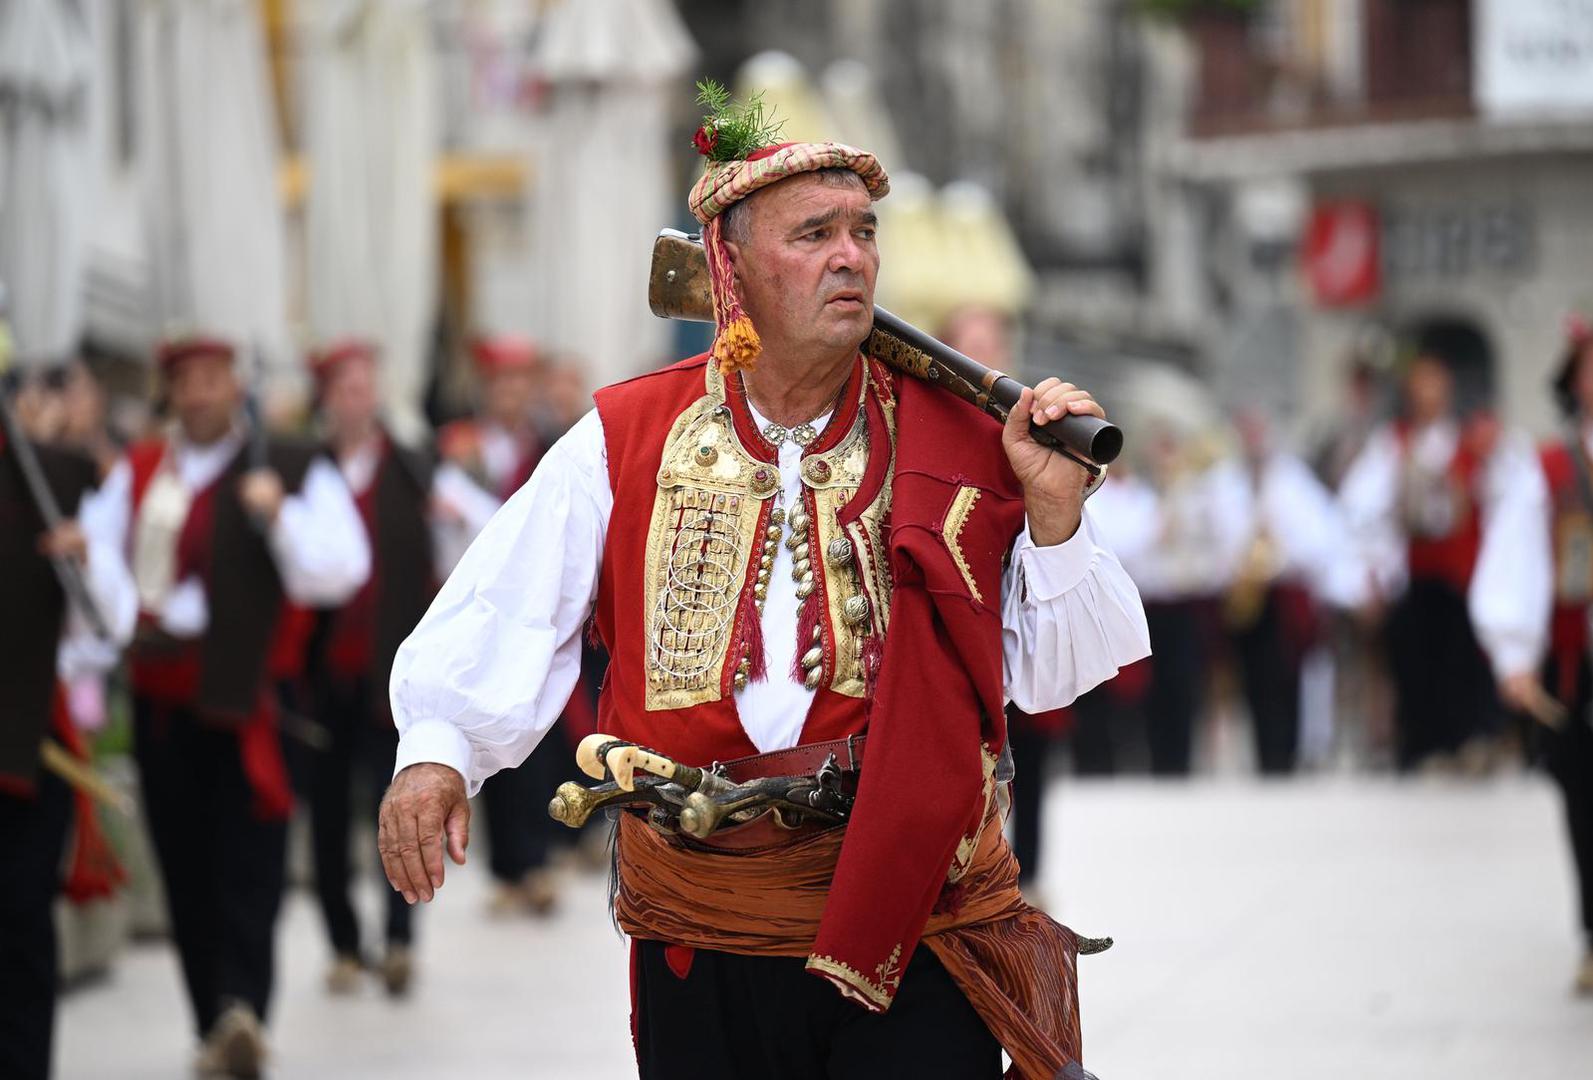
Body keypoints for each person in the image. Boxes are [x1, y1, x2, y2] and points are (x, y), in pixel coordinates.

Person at [380, 93, 1150, 1078]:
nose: (852, 257)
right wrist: (438, 750)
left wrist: (1055, 515)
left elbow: (1055, 678)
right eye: (815, 234)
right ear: (730, 268)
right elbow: (509, 599)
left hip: (914, 911)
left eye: (864, 233)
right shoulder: (627, 436)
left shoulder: (961, 441)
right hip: (706, 917)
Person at [94, 334, 370, 1077]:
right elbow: (105, 564)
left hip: (254, 699)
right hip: (166, 698)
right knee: (184, 859)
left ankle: (245, 1006)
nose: (200, 395)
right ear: (170, 392)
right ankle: (211, 1016)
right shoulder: (144, 469)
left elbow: (341, 570)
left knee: (251, 860)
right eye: (186, 381)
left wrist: (278, 517)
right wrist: (130, 619)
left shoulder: (285, 466)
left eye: (213, 380)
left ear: (235, 386)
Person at [302, 339, 494, 998]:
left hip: (395, 675)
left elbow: (488, 530)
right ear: (326, 398)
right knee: (328, 812)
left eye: (366, 386)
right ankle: (344, 946)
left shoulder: (413, 468)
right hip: (324, 675)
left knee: (398, 807)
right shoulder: (309, 469)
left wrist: (446, 531)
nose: (360, 399)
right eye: (347, 388)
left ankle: (400, 941)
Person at [1, 378, 137, 1080]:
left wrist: (83, 559)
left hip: (28, 749)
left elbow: (109, 626)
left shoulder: (54, 483)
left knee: (20, 927)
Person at [1470, 316, 1593, 995]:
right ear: (1573, 380)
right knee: (1583, 801)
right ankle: (1592, 936)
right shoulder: (1546, 469)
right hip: (1579, 669)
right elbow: (1512, 562)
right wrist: (1513, 654)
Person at [436, 333, 568, 914]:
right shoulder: (461, 448)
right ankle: (507, 868)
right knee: (486, 725)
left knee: (539, 733)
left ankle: (534, 861)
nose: (512, 394)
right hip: (482, 609)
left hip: (537, 609)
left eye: (521, 383)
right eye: (502, 384)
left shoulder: (550, 445)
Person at [1340, 351, 1522, 772]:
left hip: (1465, 574)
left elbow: (1506, 496)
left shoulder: (1473, 441)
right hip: (1418, 574)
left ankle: (1473, 741)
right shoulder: (1395, 442)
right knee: (1418, 663)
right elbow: (1361, 507)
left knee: (1467, 661)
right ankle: (1426, 746)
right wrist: (1372, 569)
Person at [1224, 409, 1367, 774]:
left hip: (1285, 594)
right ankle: (1262, 755)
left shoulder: (1293, 482)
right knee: (1254, 681)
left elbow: (1320, 538)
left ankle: (1288, 755)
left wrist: (1280, 545)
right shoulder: (1229, 481)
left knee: (1286, 681)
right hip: (1249, 593)